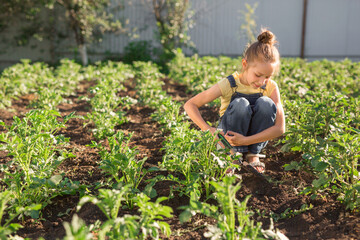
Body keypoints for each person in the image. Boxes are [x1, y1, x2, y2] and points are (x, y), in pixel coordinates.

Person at [184, 29, 285, 173]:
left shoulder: (271, 87)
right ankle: (231, 155)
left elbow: (280, 128)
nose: (262, 81)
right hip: (228, 139)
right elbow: (190, 105)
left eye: (268, 76)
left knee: (266, 104)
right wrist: (209, 130)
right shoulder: (229, 83)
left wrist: (245, 141)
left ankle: (252, 155)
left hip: (250, 141)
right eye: (258, 75)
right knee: (241, 104)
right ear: (245, 64)